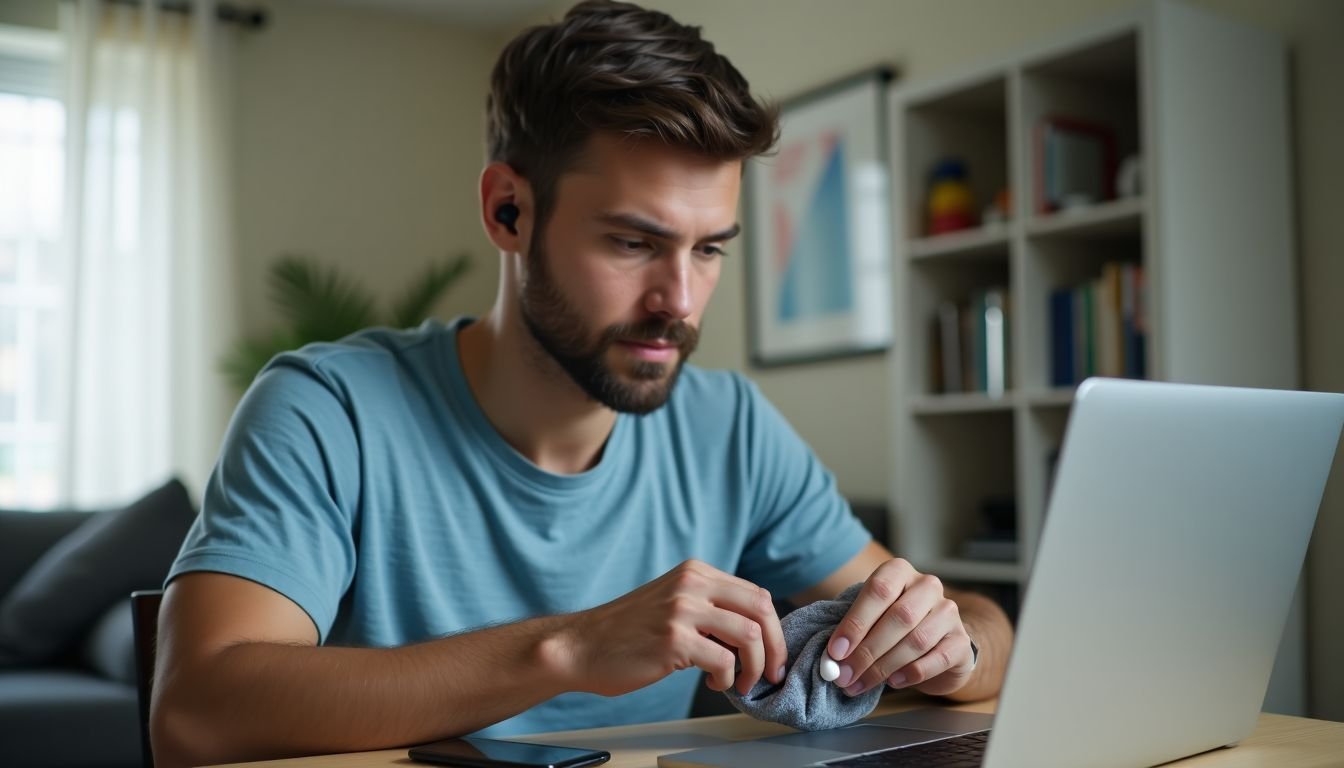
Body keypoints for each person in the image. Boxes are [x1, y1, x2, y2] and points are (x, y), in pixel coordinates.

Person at [150, 2, 1013, 766]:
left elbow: (985, 627)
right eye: (634, 243)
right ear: (508, 211)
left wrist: (949, 641)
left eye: (709, 248)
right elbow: (195, 713)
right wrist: (569, 647)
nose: (678, 300)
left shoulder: (729, 426)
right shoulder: (324, 410)